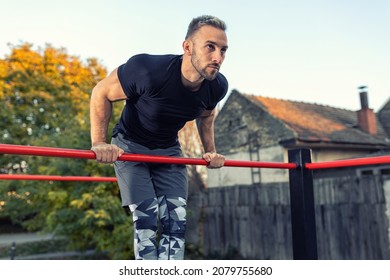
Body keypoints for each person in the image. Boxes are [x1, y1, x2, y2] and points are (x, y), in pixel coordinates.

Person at [90, 15, 228, 260]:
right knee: (147, 223)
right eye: (210, 47)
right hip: (130, 147)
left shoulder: (216, 86)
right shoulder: (147, 70)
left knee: (177, 225)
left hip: (168, 150)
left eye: (223, 50)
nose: (218, 58)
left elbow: (206, 116)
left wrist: (210, 150)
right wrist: (99, 142)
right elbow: (101, 92)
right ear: (187, 47)